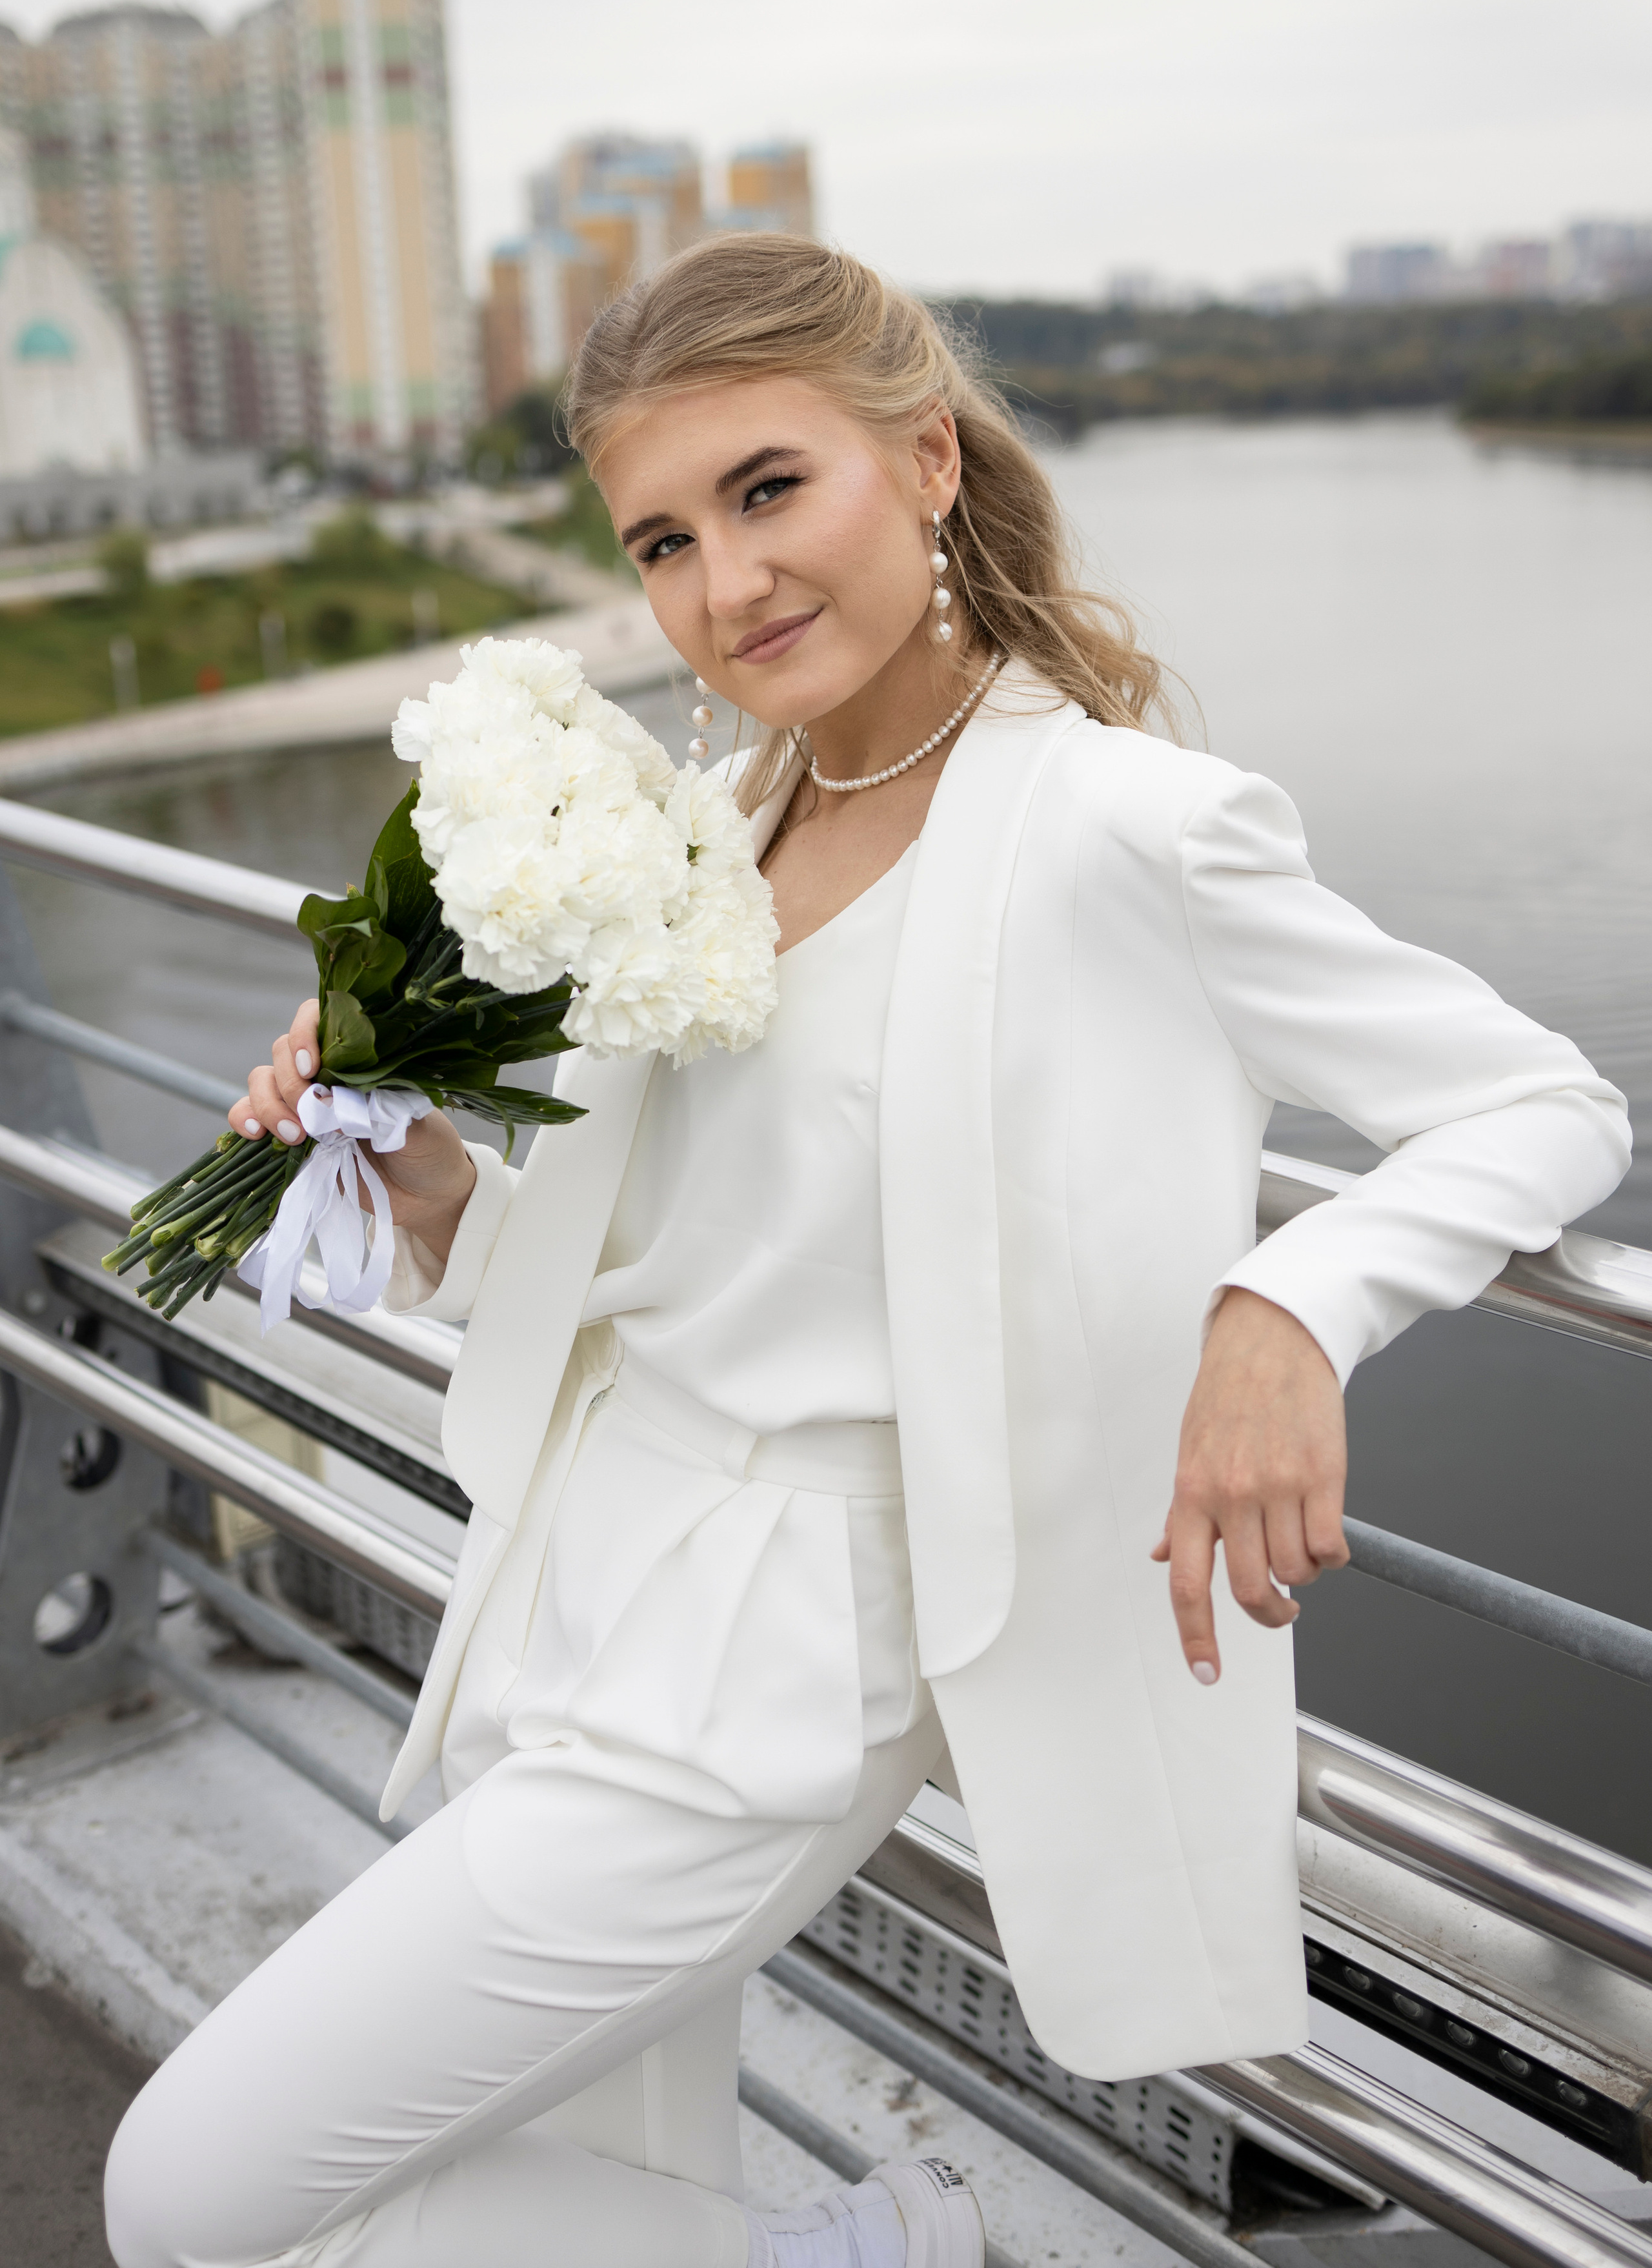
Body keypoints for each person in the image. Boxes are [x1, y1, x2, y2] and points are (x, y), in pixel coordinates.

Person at [105, 236, 1629, 2268]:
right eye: (661, 540)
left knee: (191, 2194)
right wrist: (433, 1189)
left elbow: (1545, 1107)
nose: (722, 587)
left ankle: (892, 2250)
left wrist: (1285, 1306)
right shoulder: (714, 834)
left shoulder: (1124, 829)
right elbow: (659, 1268)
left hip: (777, 1679)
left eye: (766, 491)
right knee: (625, 2186)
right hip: (573, 1589)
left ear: (925, 466)